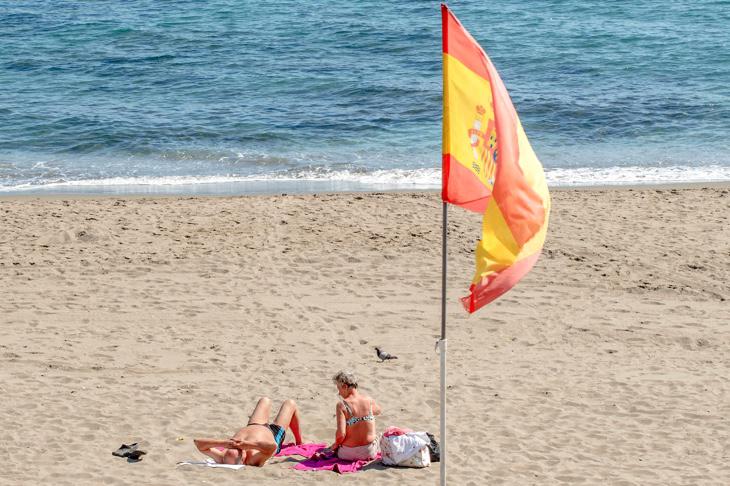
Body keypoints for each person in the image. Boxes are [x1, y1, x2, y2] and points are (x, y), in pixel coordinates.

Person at [194, 397, 302, 467]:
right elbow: (272, 446)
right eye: (240, 451)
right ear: (243, 459)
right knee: (290, 404)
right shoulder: (252, 460)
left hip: (254, 424)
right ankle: (299, 441)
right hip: (273, 434)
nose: (238, 447)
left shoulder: (223, 457)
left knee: (265, 400)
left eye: (232, 448)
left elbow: (198, 443)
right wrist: (248, 444)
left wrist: (224, 443)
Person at [325, 370, 382, 461]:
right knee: (378, 435)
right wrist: (364, 415)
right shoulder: (368, 400)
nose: (339, 393)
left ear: (345, 386)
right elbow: (378, 411)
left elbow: (341, 434)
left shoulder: (342, 405)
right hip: (369, 452)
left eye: (338, 389)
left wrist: (334, 446)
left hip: (348, 454)